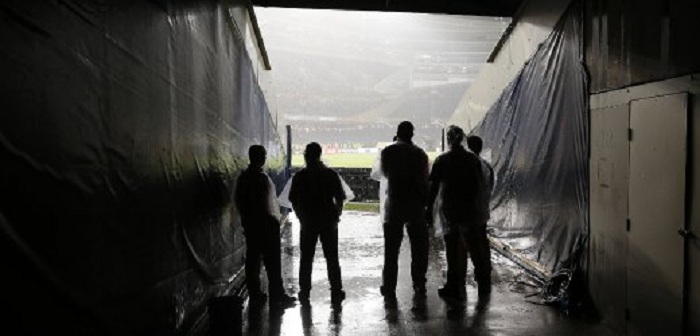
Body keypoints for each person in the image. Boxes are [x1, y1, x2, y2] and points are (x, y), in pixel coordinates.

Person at [427, 126, 487, 300]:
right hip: (469, 207)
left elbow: (434, 187)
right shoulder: (472, 159)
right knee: (474, 246)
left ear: (448, 139)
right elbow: (479, 185)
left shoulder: (442, 160)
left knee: (452, 248)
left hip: (450, 208)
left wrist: (428, 208)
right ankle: (482, 281)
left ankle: (454, 284)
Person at [234, 145, 296, 307]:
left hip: (253, 226)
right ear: (259, 157)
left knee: (253, 261)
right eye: (263, 155)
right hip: (266, 226)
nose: (264, 158)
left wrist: (247, 221)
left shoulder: (244, 178)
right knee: (272, 263)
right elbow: (268, 205)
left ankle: (256, 294)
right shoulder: (260, 178)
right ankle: (277, 295)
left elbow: (240, 203)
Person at [289, 142, 348, 304]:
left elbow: (293, 199)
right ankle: (336, 289)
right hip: (328, 220)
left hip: (308, 220)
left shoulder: (300, 176)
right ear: (319, 154)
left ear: (306, 155)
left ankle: (305, 290)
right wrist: (337, 214)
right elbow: (340, 197)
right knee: (332, 257)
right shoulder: (330, 174)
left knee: (306, 258)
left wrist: (301, 216)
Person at [378, 121, 430, 298]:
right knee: (419, 248)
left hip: (394, 203)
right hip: (415, 203)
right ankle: (419, 283)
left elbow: (384, 173)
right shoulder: (420, 154)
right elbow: (425, 180)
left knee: (391, 250)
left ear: (397, 132)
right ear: (412, 134)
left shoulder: (388, 151)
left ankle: (389, 285)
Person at [466, 135, 494, 295]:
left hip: (472, 209)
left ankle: (480, 271)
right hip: (483, 207)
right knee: (482, 239)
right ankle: (486, 269)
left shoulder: (471, 164)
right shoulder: (487, 165)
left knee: (472, 242)